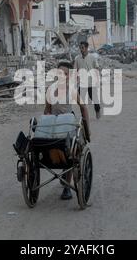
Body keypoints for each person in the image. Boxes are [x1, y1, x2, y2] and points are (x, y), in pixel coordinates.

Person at [44, 61, 91, 201]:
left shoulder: (71, 90)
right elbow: (47, 110)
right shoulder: (50, 90)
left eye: (64, 74)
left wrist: (87, 129)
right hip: (53, 122)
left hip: (68, 122)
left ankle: (67, 187)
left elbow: (83, 108)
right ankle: (64, 175)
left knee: (71, 150)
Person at [74, 41, 102, 119]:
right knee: (80, 100)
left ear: (86, 48)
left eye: (82, 48)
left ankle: (97, 110)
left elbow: (96, 67)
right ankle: (84, 115)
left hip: (91, 83)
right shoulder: (77, 58)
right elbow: (75, 69)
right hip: (82, 83)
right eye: (80, 48)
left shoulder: (92, 57)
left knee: (94, 99)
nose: (81, 49)